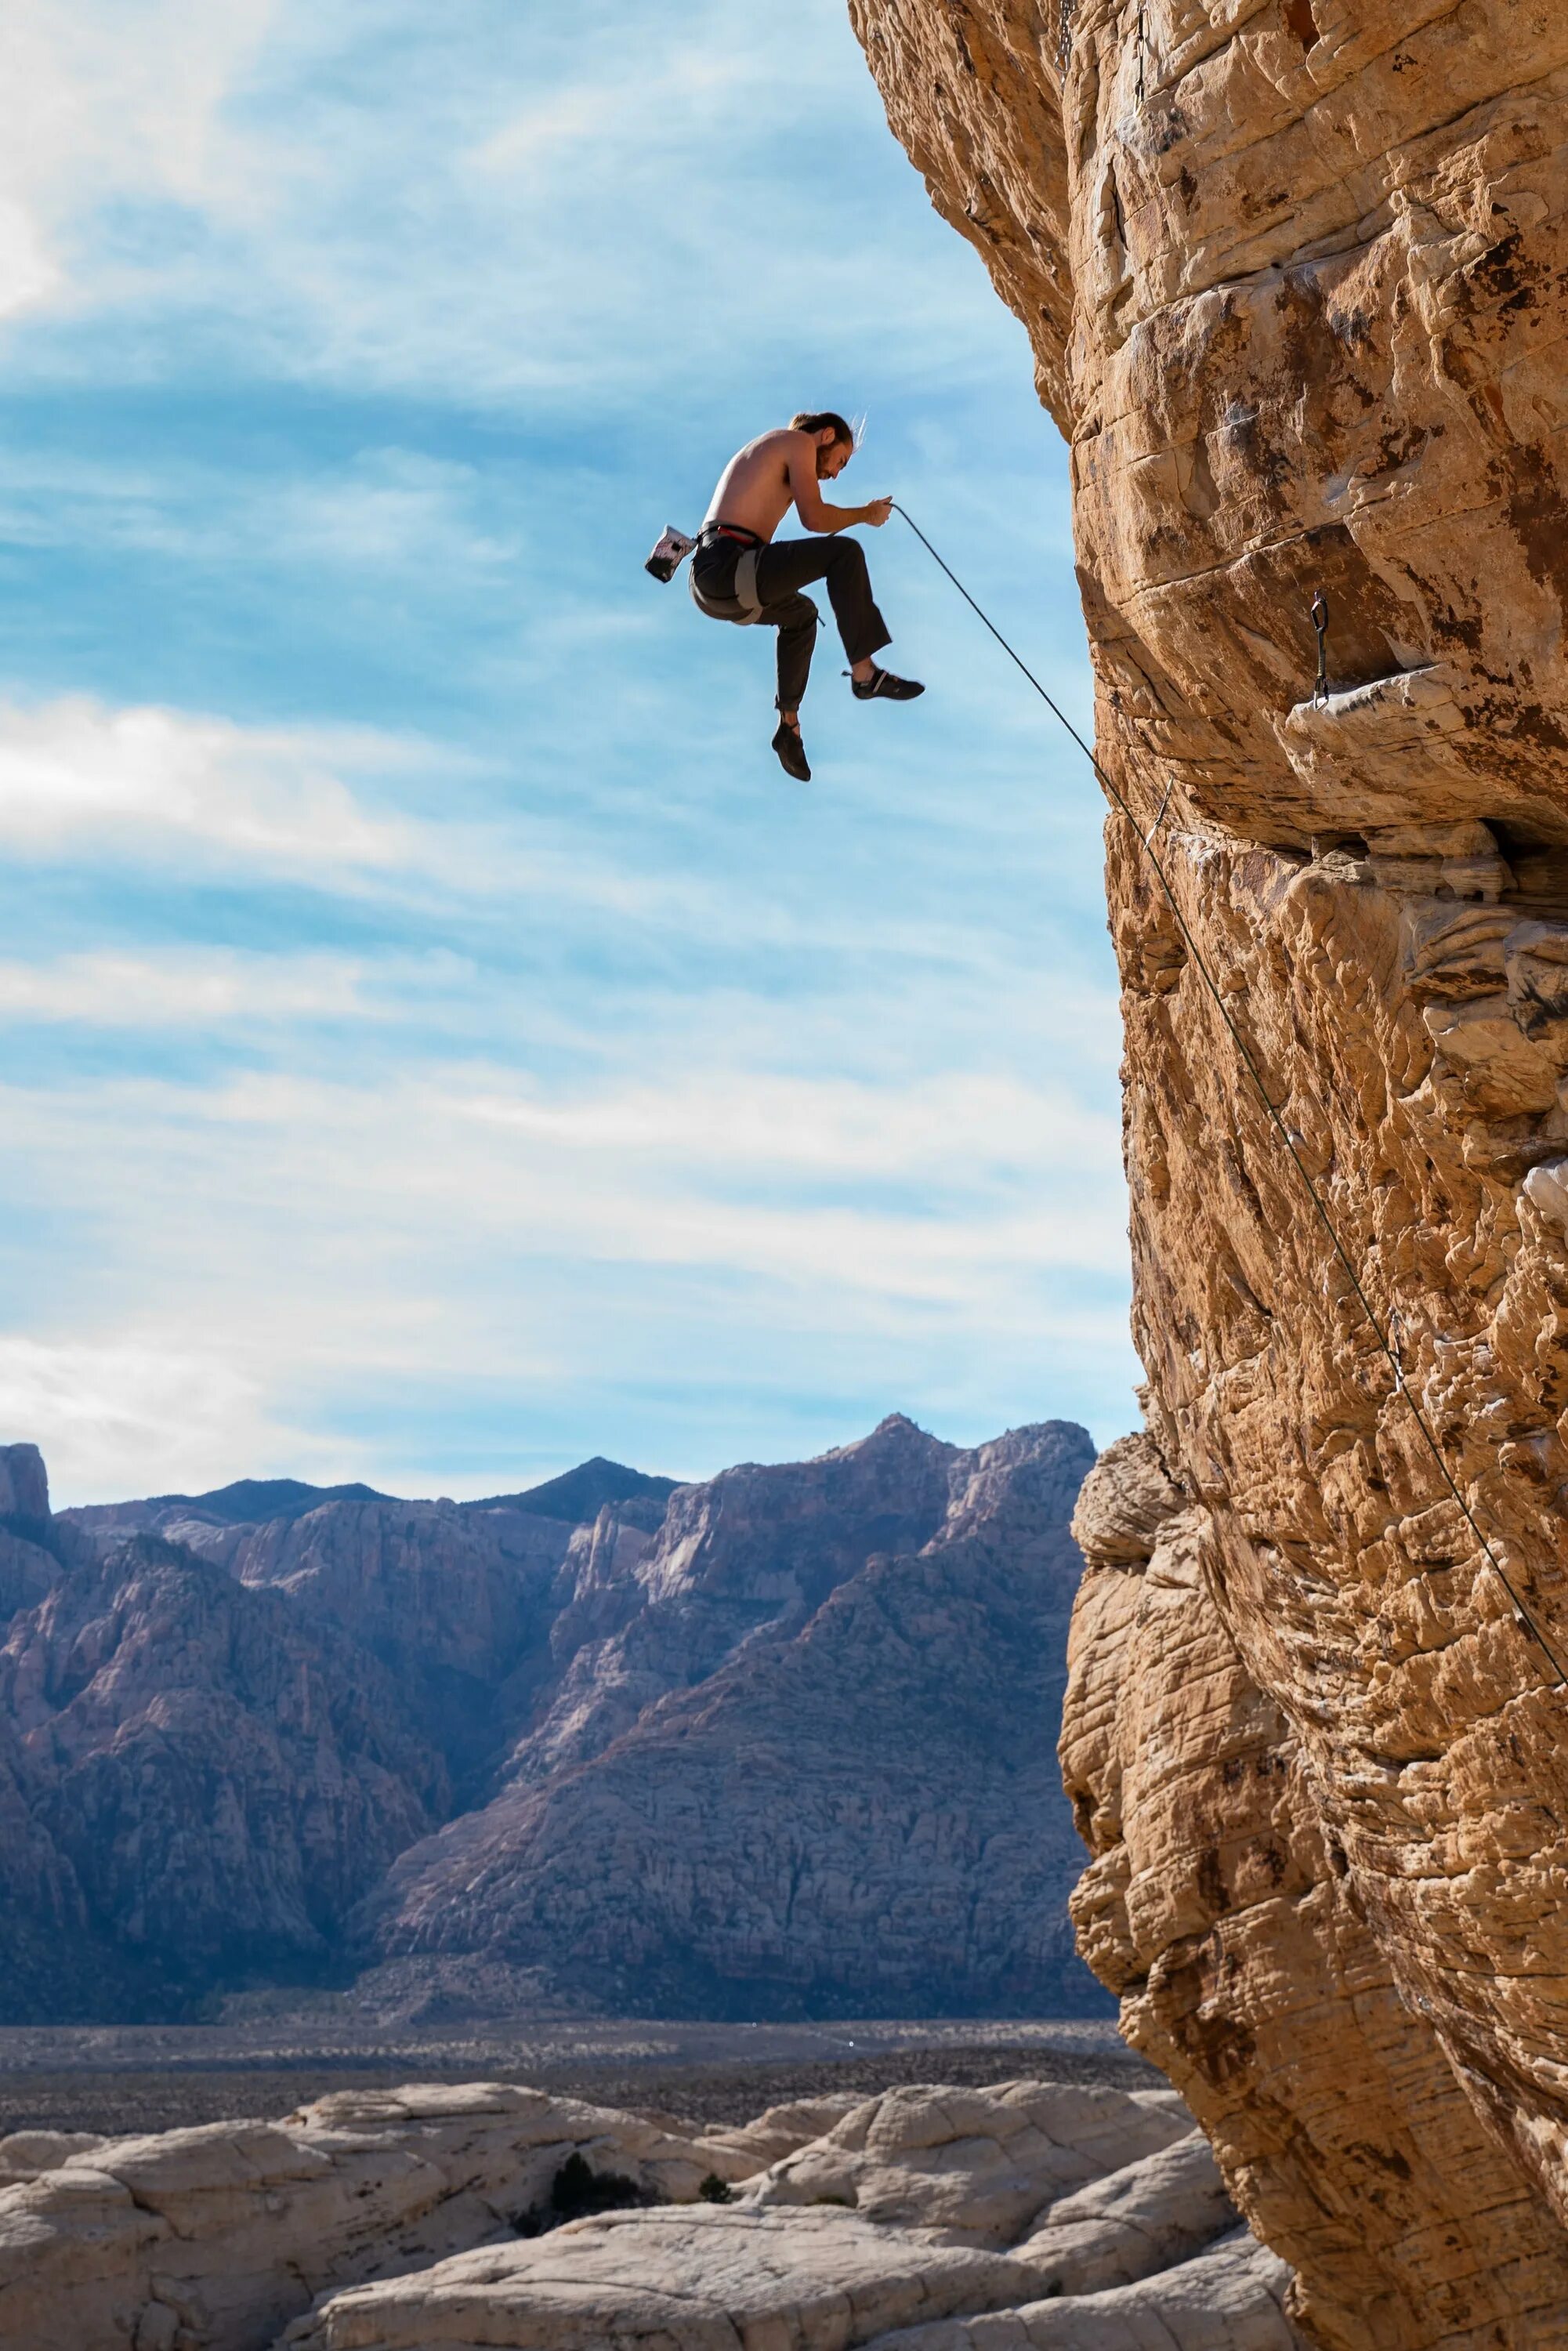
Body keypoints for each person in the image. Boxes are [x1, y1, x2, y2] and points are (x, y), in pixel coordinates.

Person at [689, 411, 923, 781]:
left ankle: (789, 727)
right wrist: (865, 514)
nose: (834, 474)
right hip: (728, 567)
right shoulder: (796, 442)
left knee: (801, 615)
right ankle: (865, 674)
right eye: (840, 461)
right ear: (826, 435)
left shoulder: (769, 450)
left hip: (717, 585)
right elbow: (813, 519)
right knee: (844, 554)